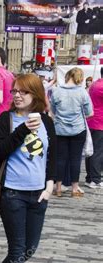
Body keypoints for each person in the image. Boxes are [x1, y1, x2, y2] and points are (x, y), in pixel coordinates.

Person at [0, 74, 57, 263]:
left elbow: (52, 156)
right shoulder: (5, 120)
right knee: (17, 248)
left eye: (24, 92)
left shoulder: (46, 123)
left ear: (36, 96)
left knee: (29, 249)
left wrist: (49, 186)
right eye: (15, 91)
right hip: (12, 193)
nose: (17, 95)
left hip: (38, 194)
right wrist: (22, 131)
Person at [51, 67, 93, 197]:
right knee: (75, 159)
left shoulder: (56, 91)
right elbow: (89, 113)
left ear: (68, 76)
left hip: (60, 130)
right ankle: (75, 188)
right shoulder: (82, 92)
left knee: (60, 159)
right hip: (78, 129)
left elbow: (53, 112)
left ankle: (58, 187)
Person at [85, 67, 103, 189]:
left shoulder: (95, 83)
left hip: (92, 121)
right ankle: (95, 179)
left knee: (91, 150)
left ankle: (90, 177)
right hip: (99, 122)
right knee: (98, 151)